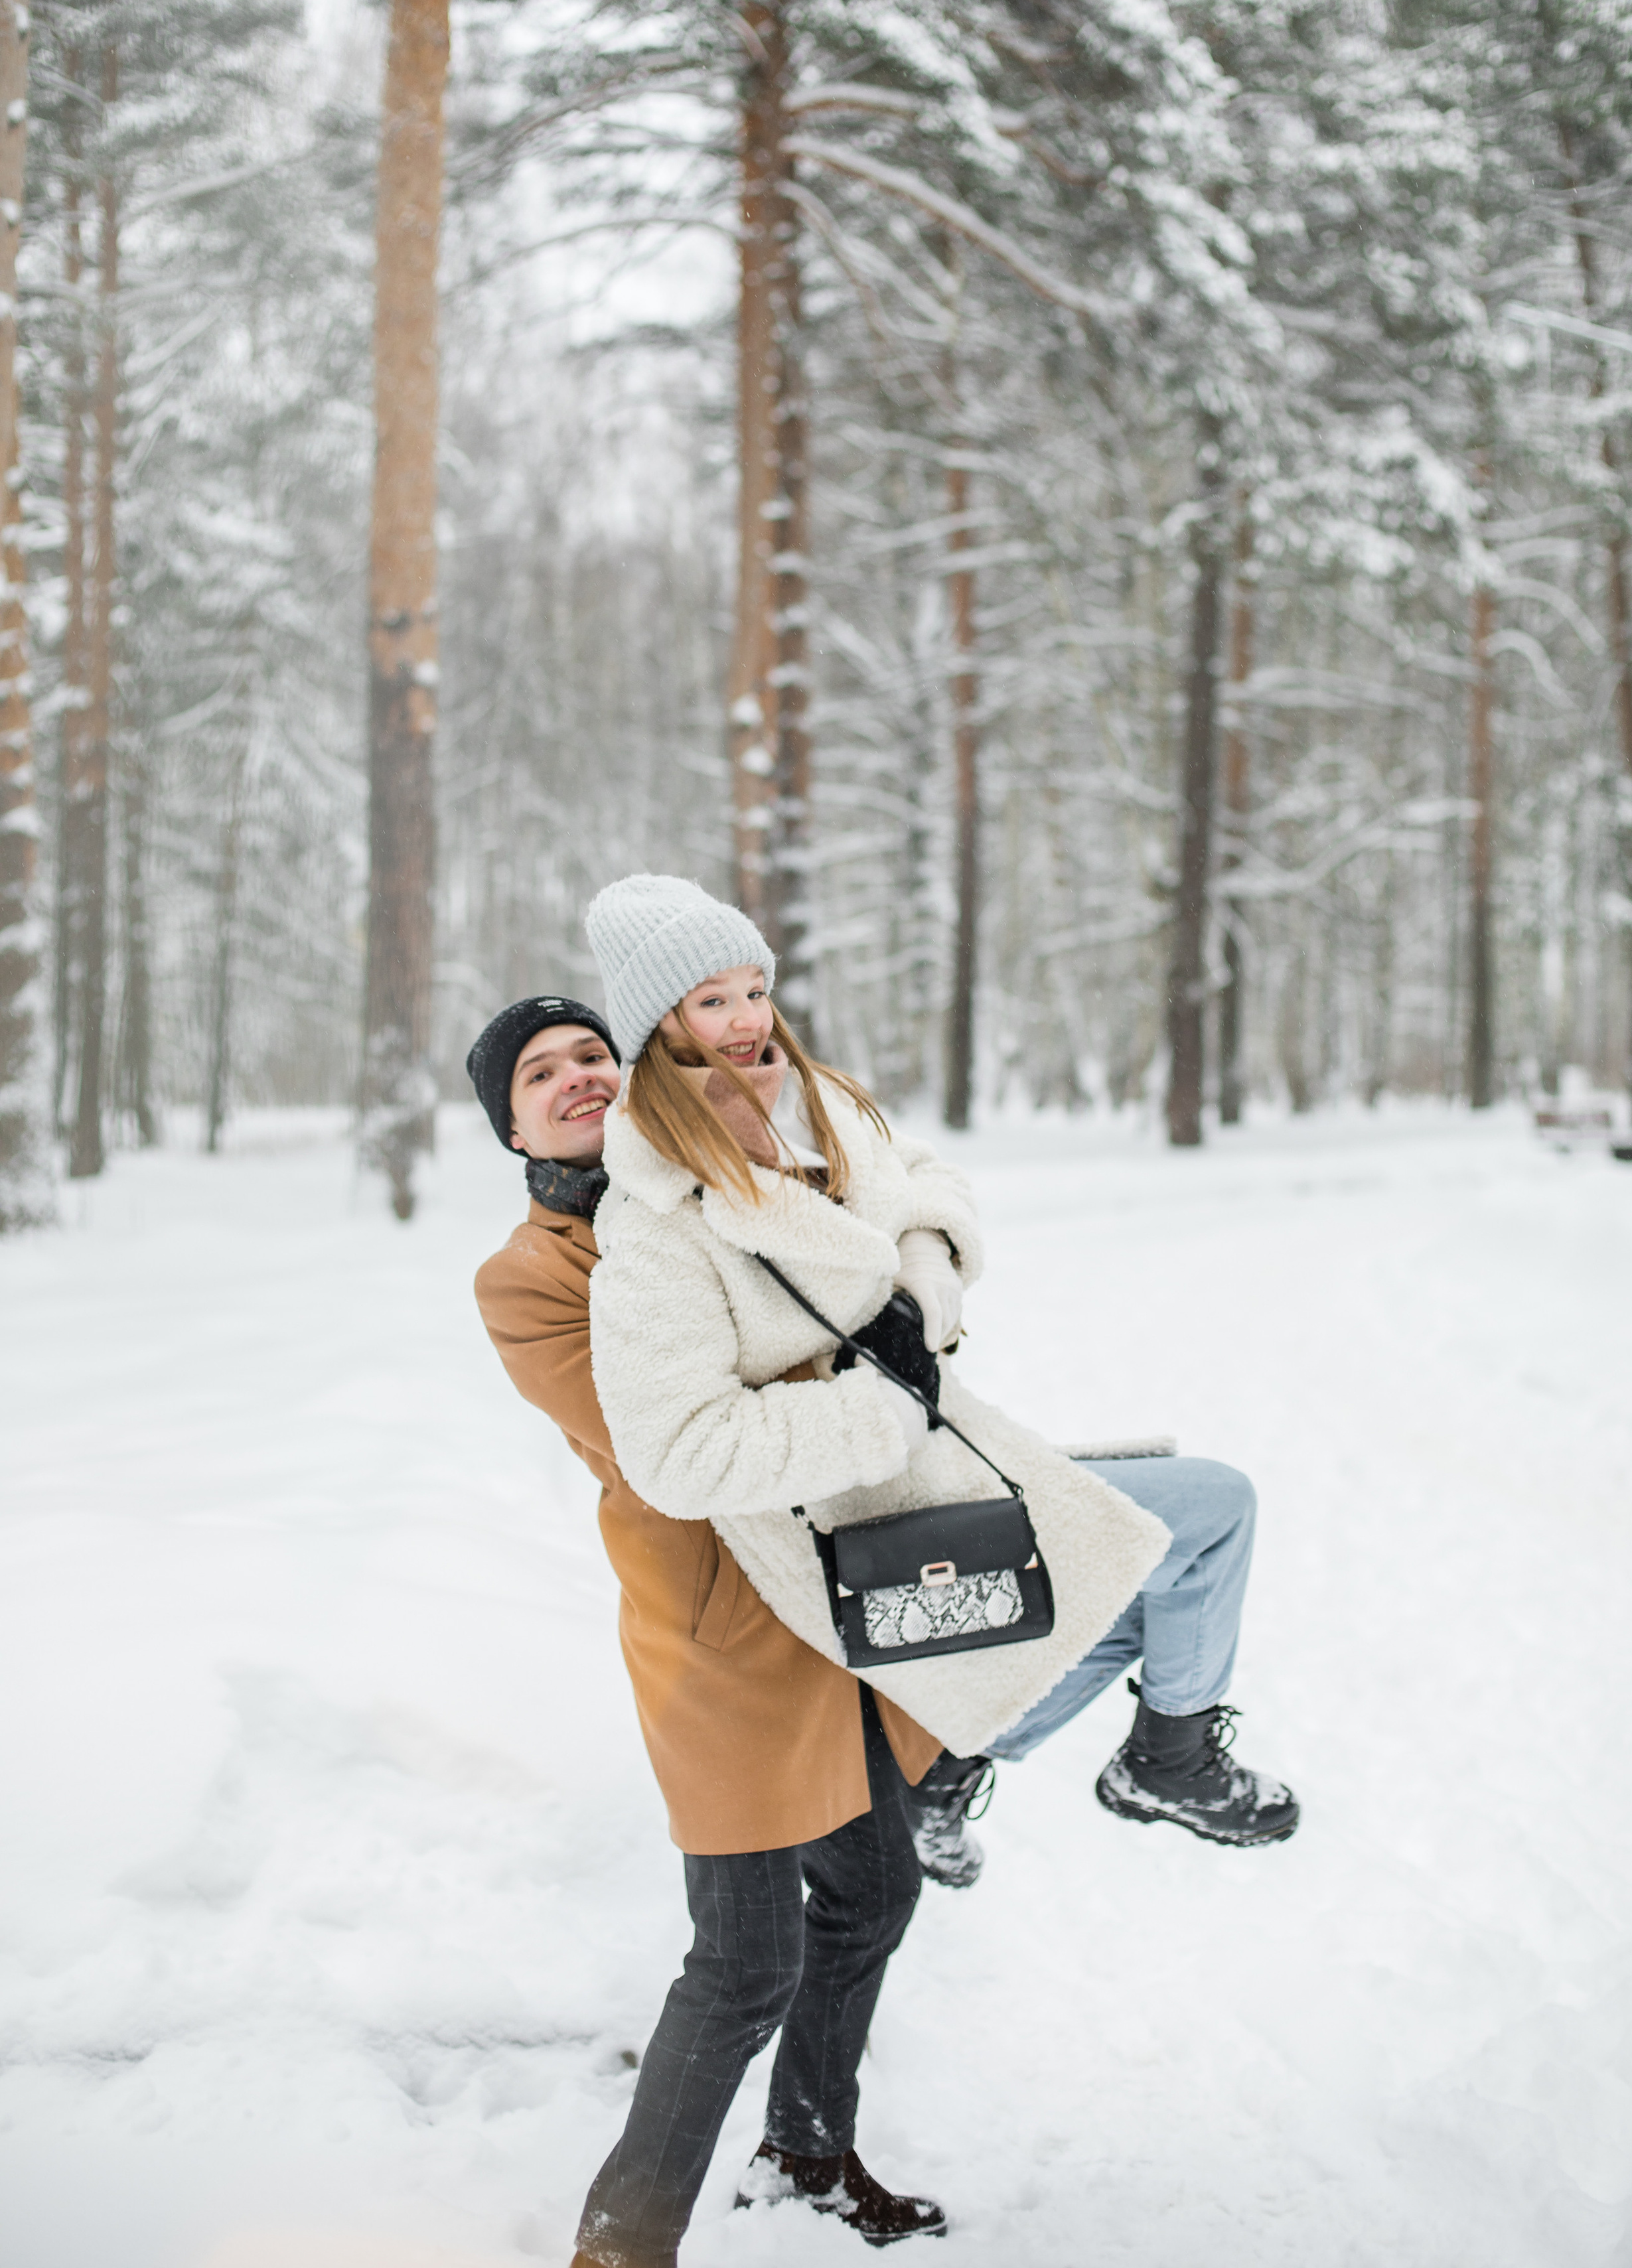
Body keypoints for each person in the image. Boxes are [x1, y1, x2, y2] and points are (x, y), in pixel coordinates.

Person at [469, 881, 1297, 2268]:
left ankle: (805, 2156)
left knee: (873, 1891)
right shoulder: (542, 1269)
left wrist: (904, 1281)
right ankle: (620, 2245)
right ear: (507, 1124)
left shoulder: (736, 1148)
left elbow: (894, 1189)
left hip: (849, 1562)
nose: (574, 1082)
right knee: (740, 1961)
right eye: (539, 1076)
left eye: (589, 1056)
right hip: (723, 1629)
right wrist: (877, 1373)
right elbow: (661, 1443)